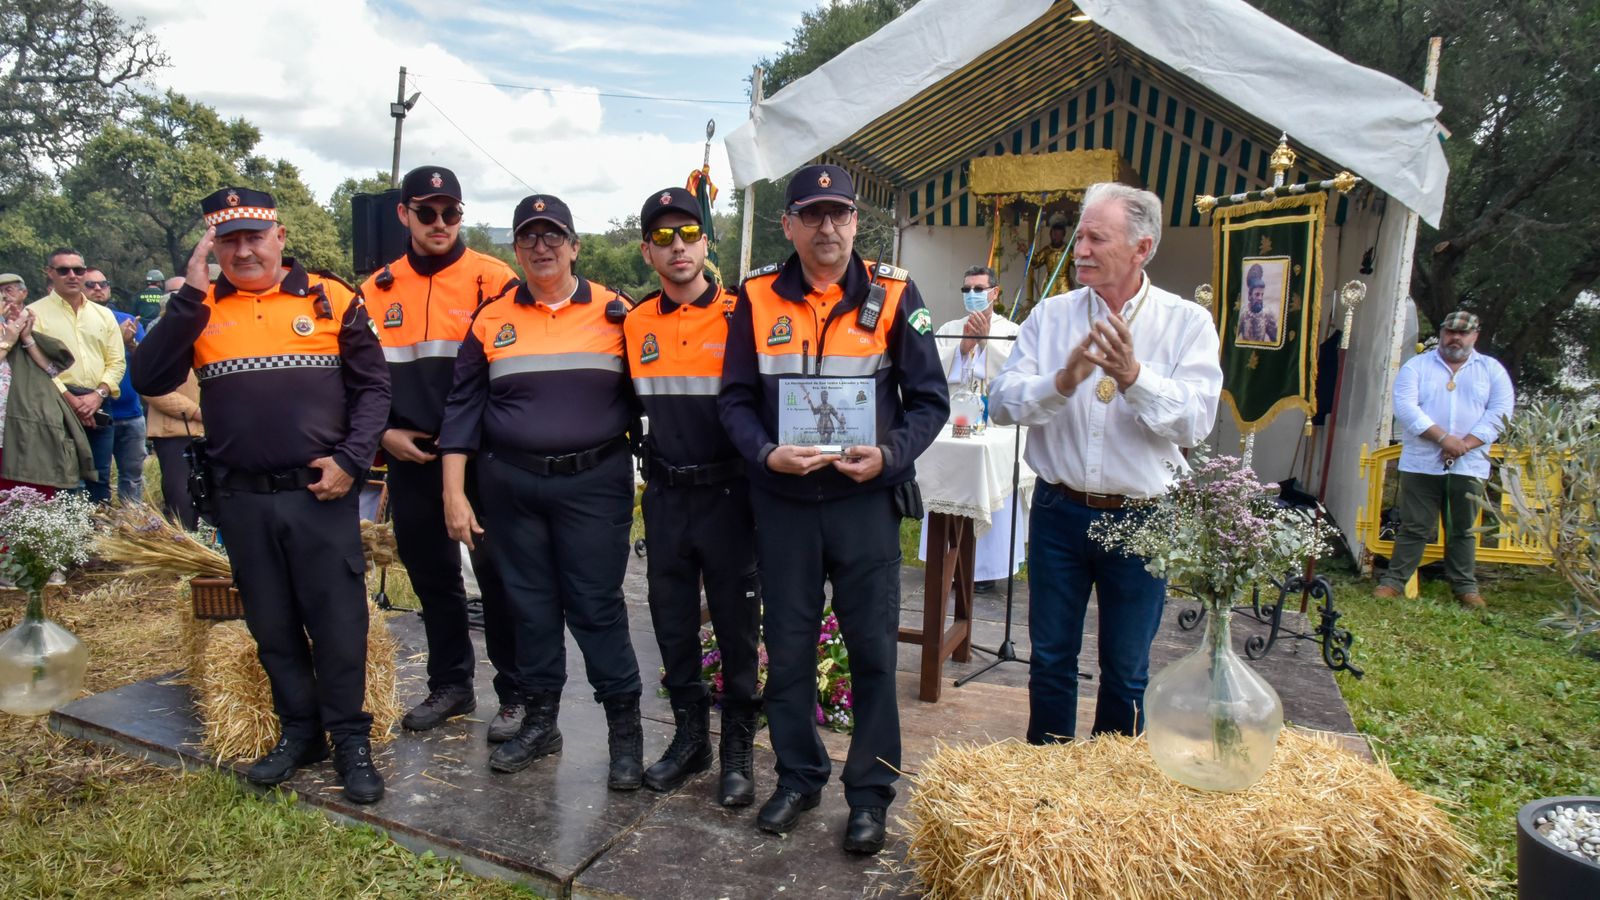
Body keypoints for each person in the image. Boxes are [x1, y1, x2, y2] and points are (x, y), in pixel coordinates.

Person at [131, 186, 391, 804]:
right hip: (240, 499)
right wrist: (190, 297)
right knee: (270, 623)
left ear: (279, 237)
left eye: (254, 237)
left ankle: (349, 738)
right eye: (229, 240)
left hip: (318, 495)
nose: (243, 250)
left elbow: (374, 389)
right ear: (213, 248)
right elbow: (147, 378)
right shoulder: (199, 308)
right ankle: (300, 733)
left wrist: (352, 461)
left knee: (339, 622)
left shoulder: (332, 298)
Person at [718, 164, 948, 854]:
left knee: (874, 653)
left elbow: (931, 399)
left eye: (839, 214)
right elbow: (731, 400)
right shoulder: (755, 298)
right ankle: (797, 777)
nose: (827, 227)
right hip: (784, 505)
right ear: (787, 224)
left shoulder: (897, 293)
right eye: (812, 215)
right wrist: (764, 455)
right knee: (787, 653)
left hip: (863, 505)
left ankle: (870, 796)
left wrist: (890, 454)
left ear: (856, 221)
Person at [990, 182, 1222, 745]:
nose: (1081, 250)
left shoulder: (1186, 321)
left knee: (1125, 670)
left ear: (1142, 248)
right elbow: (1001, 402)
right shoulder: (1051, 316)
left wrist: (1134, 378)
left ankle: (1107, 801)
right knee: (1049, 660)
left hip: (1142, 520)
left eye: (1097, 238)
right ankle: (1045, 784)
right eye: (1079, 237)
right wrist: (1063, 380)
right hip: (1058, 513)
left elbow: (1196, 422)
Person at [438, 193, 646, 789]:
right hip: (512, 485)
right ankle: (541, 722)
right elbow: (461, 412)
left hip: (595, 484)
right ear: (517, 250)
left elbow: (651, 394)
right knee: (527, 607)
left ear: (575, 246)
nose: (541, 247)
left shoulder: (616, 313)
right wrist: (455, 492)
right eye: (529, 237)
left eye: (553, 236)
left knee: (596, 608)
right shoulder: (491, 319)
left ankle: (625, 736)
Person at [361, 165, 524, 740]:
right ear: (403, 214)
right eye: (425, 212)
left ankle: (516, 694)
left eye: (450, 212)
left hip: (483, 460)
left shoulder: (496, 278)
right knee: (432, 579)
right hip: (410, 457)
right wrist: (382, 435)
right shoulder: (376, 288)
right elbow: (357, 380)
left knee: (499, 579)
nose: (439, 223)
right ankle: (451, 684)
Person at [623, 186, 761, 804]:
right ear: (648, 251)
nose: (676, 247)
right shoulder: (633, 321)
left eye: (688, 235)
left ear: (707, 242)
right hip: (666, 496)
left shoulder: (742, 314)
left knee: (736, 627)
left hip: (731, 495)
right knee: (672, 626)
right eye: (662, 237)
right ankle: (689, 738)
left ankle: (736, 747)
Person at [1376, 310, 1514, 608]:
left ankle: (1465, 586)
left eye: (1463, 333)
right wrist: (1443, 438)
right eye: (1450, 331)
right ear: (1441, 332)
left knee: (1463, 528)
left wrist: (1464, 444)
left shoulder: (1491, 370)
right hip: (1422, 460)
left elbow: (1500, 414)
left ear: (1475, 336)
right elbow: (1406, 408)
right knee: (1414, 526)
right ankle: (1393, 582)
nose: (1455, 338)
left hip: (1470, 462)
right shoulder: (1417, 366)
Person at [920, 264, 1025, 592]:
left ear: (994, 293)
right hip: (954, 427)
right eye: (967, 289)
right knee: (947, 489)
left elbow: (1016, 373)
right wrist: (962, 347)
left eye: (980, 289)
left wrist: (986, 343)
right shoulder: (950, 329)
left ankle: (986, 569)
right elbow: (929, 370)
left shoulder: (1012, 331)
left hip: (994, 428)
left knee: (992, 493)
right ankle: (944, 561)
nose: (973, 295)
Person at [27, 249, 122, 503]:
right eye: (63, 270)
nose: (72, 275)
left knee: (100, 476)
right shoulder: (34, 314)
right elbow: (37, 364)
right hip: (57, 403)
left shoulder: (103, 315)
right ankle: (71, 540)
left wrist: (98, 395)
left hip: (99, 403)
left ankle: (100, 538)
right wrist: (69, 398)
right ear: (50, 273)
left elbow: (116, 362)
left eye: (78, 270)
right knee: (65, 478)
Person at [1, 291, 95, 494]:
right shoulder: (7, 337)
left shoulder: (9, 331)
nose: (6, 303)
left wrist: (26, 338)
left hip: (19, 430)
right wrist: (6, 341)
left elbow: (51, 371)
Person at [85, 269, 148, 503]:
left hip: (130, 412)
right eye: (90, 285)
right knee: (98, 476)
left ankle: (131, 530)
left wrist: (131, 344)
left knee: (132, 476)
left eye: (103, 284)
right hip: (95, 412)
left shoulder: (128, 320)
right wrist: (117, 342)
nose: (98, 289)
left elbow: (147, 361)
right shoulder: (79, 323)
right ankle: (99, 527)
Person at [1019, 214, 1069, 321]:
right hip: (1049, 286)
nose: (1056, 237)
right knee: (1048, 312)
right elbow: (1035, 262)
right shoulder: (1047, 250)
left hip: (1065, 285)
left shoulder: (1068, 250)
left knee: (1067, 310)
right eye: (1054, 234)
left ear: (1063, 235)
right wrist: (1026, 252)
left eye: (1059, 234)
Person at [1237, 263, 1278, 344]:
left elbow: (1275, 340)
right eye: (1257, 294)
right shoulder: (1243, 314)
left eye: (1262, 294)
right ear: (1250, 295)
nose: (1260, 298)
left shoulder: (1267, 314)